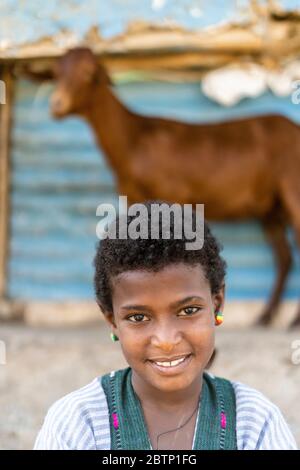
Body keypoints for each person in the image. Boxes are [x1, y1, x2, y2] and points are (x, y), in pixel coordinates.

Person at [34, 201, 297, 450]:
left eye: (188, 310)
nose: (166, 339)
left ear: (217, 305)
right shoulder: (79, 423)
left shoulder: (254, 423)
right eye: (138, 317)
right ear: (112, 321)